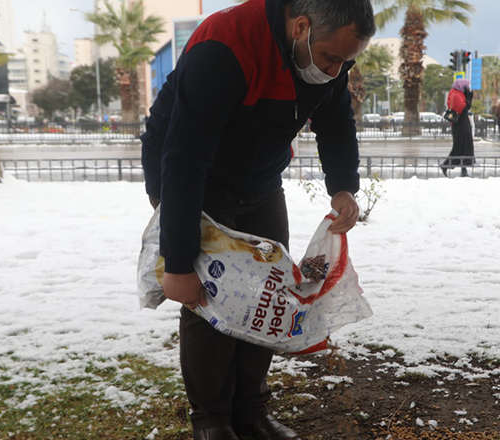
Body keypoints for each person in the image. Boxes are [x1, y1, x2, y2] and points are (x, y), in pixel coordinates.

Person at [140, 1, 375, 439]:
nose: (336, 70)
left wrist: (343, 186)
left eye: (347, 61)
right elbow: (185, 157)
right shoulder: (225, 46)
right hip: (195, 177)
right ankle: (211, 421)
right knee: (208, 298)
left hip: (261, 179)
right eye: (330, 58)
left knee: (269, 289)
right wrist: (177, 263)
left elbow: (336, 120)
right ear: (301, 26)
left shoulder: (330, 57)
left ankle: (249, 411)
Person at [441, 78, 474, 177]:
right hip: (460, 123)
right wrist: (468, 99)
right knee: (460, 145)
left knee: (466, 145)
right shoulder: (456, 94)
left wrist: (468, 98)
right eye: (466, 86)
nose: (467, 88)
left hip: (463, 122)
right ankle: (447, 165)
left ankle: (464, 168)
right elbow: (462, 109)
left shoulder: (458, 93)